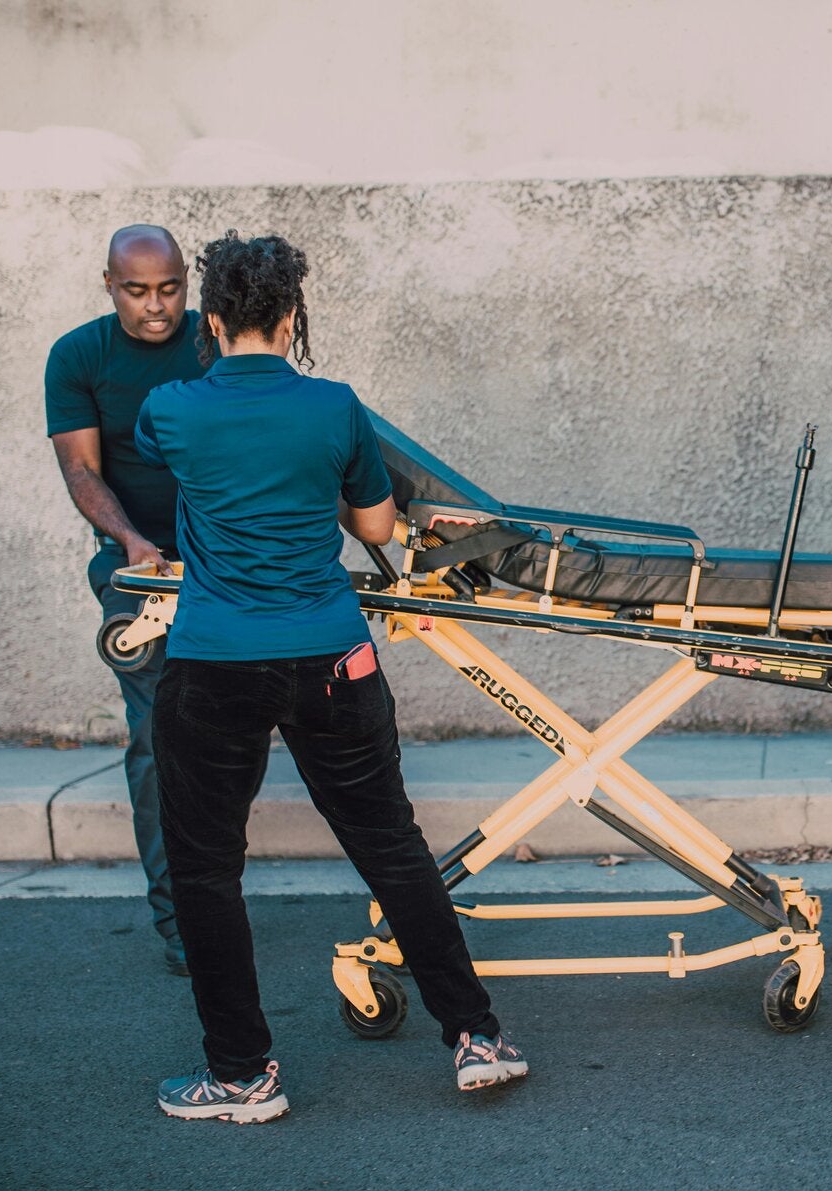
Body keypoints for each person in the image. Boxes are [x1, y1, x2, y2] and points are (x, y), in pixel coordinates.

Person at [136, 230, 527, 1123]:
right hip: (331, 657)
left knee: (205, 872)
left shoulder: (171, 409)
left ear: (212, 319)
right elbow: (378, 528)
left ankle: (243, 1076)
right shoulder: (336, 405)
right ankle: (477, 1038)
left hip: (215, 663)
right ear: (290, 318)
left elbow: (169, 465)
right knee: (391, 846)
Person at [46, 225, 204, 976]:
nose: (155, 306)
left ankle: (213, 891)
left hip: (225, 564)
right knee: (158, 737)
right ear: (108, 284)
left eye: (169, 288)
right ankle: (182, 921)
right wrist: (134, 542)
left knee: (242, 727)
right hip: (135, 570)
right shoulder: (78, 356)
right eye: (137, 291)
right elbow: (81, 469)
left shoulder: (215, 344)